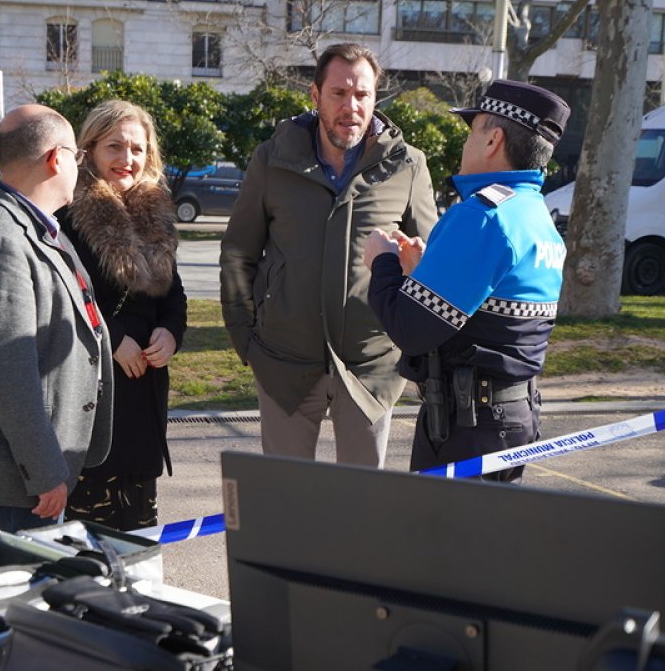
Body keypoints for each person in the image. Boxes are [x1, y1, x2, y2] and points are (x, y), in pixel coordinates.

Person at [219, 43, 437, 468]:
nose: (351, 106)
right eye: (338, 93)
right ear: (315, 95)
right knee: (287, 503)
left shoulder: (408, 166)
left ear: (375, 98)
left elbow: (430, 268)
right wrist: (245, 340)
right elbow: (237, 254)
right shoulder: (272, 160)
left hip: (372, 369)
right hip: (283, 365)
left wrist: (411, 345)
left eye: (362, 95)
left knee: (358, 508)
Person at [363, 79, 571, 482]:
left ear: (493, 139)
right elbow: (491, 315)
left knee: (442, 544)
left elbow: (410, 330)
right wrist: (424, 272)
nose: (466, 144)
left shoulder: (482, 215)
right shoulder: (533, 213)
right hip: (512, 415)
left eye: (472, 131)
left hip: (468, 426)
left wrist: (384, 262)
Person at [0, 104, 113, 534]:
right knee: (15, 593)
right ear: (56, 158)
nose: (79, 167)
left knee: (28, 591)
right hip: (17, 475)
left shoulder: (29, 225)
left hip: (27, 466)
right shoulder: (0, 240)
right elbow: (8, 369)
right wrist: (42, 469)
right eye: (77, 157)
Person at [57, 100, 188, 532]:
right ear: (90, 149)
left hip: (145, 390)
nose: (127, 159)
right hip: (94, 391)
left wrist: (170, 333)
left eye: (137, 148)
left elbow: (174, 291)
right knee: (89, 534)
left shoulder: (156, 209)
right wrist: (111, 339)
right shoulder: (69, 213)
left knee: (139, 530)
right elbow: (63, 296)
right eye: (115, 146)